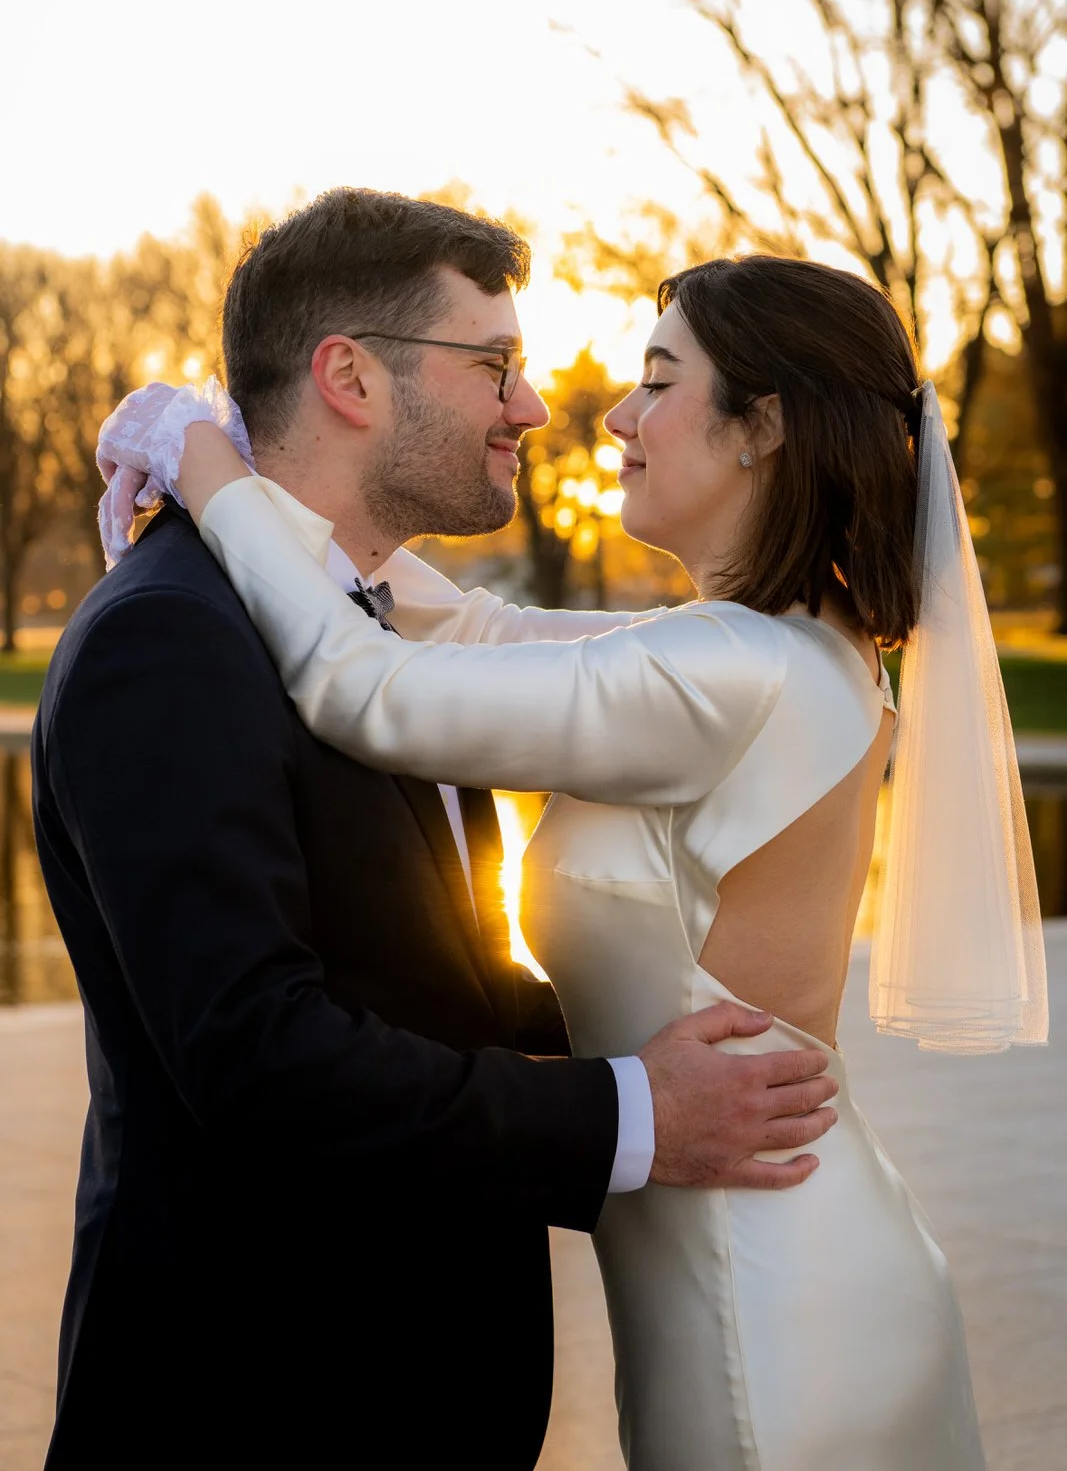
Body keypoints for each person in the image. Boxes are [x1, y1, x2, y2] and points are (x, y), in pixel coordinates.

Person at [105, 247, 1050, 1468]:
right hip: (775, 1259)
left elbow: (364, 686)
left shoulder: (732, 669)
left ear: (761, 427)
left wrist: (210, 469)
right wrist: (307, 526)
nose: (612, 412)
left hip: (764, 1303)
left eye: (657, 381)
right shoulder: (782, 642)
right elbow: (481, 628)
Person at [33, 192, 839, 1471]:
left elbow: (423, 978)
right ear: (349, 376)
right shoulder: (170, 638)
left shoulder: (363, 627)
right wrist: (629, 1111)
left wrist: (673, 1088)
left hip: (415, 1393)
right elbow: (255, 1052)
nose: (529, 407)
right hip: (256, 1398)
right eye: (495, 366)